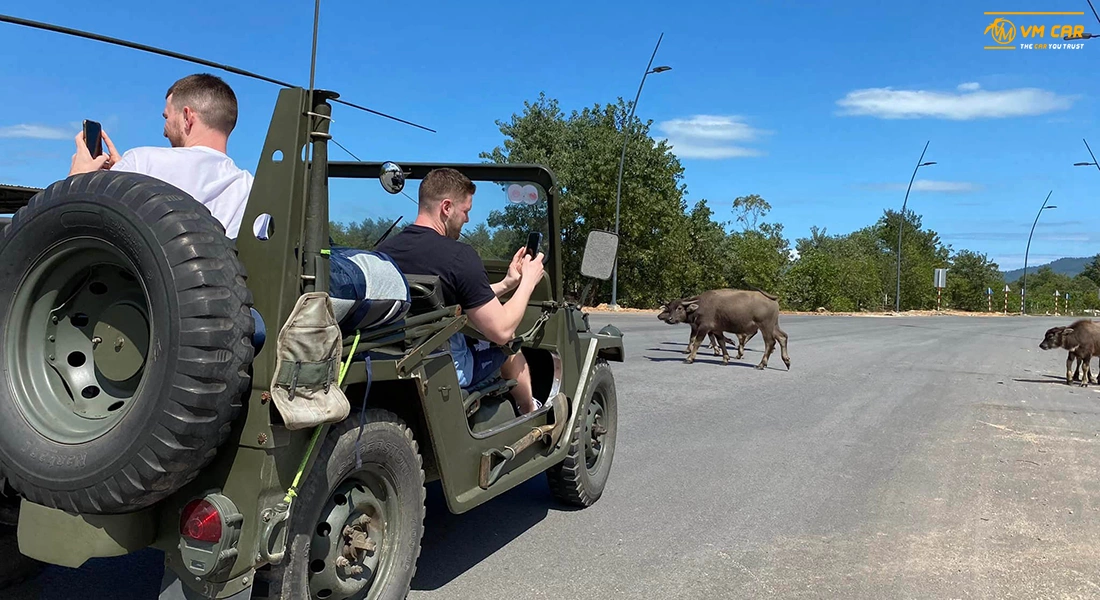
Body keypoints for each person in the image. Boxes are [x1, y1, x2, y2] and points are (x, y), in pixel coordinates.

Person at [375, 168, 548, 414]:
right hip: (444, 372)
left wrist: (508, 284)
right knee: (510, 346)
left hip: (392, 364)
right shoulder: (459, 257)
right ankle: (529, 410)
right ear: (447, 207)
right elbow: (501, 329)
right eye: (465, 211)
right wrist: (529, 281)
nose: (467, 219)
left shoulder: (385, 251)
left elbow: (457, 296)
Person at [67, 73, 254, 239]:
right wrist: (121, 177)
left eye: (166, 117)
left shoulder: (142, 162)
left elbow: (76, 228)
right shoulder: (250, 187)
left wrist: (78, 180)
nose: (164, 131)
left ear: (187, 117)